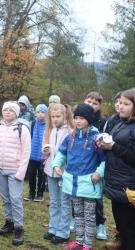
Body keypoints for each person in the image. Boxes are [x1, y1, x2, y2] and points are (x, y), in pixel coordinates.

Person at [52, 103, 106, 250]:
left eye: (82, 118)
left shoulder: (97, 139)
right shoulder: (70, 137)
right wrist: (56, 165)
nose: (78, 121)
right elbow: (61, 153)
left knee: (89, 217)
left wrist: (99, 173)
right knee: (78, 215)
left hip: (88, 184)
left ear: (89, 119)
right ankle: (79, 241)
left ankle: (87, 245)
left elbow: (104, 160)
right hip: (72, 185)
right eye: (76, 118)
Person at [0, 101, 31, 246]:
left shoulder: (22, 129)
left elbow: (26, 152)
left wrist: (21, 172)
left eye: (11, 110)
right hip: (0, 168)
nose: (7, 112)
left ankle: (19, 228)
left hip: (14, 170)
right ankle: (9, 222)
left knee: (15, 199)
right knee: (5, 198)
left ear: (17, 113)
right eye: (5, 109)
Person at [99, 88, 135, 250]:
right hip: (117, 182)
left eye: (126, 104)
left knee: (129, 225)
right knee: (121, 221)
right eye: (119, 103)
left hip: (130, 185)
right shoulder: (120, 122)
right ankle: (121, 243)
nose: (120, 106)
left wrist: (113, 146)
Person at [42, 103, 74, 245]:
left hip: (64, 173)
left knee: (65, 203)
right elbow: (45, 150)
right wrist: (45, 152)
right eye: (52, 117)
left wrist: (63, 167)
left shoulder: (70, 131)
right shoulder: (50, 130)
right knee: (54, 202)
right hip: (50, 171)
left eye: (57, 116)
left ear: (65, 115)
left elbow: (72, 153)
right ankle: (53, 228)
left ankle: (63, 231)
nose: (55, 119)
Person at [83, 91, 108, 240]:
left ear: (99, 106)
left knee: (96, 196)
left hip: (96, 163)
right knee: (78, 194)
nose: (91, 105)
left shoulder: (103, 122)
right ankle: (77, 219)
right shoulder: (78, 117)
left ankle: (100, 224)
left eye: (95, 103)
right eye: (89, 101)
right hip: (80, 162)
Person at [24, 104, 47, 202]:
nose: (40, 114)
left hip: (43, 156)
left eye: (42, 112)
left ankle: (40, 194)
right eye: (38, 112)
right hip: (32, 155)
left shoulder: (48, 125)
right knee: (31, 174)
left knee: (41, 176)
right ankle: (31, 193)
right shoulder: (32, 124)